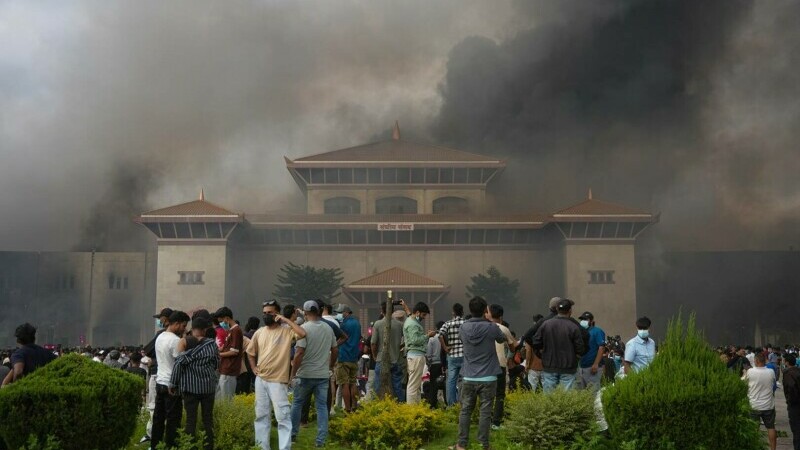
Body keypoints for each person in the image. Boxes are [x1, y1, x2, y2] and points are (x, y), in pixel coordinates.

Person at [247, 299, 306, 450]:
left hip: (278, 381)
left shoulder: (286, 331)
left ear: (277, 314)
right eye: (264, 313)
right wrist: (254, 368)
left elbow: (302, 333)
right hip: (261, 380)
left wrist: (285, 319)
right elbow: (250, 352)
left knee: (283, 417)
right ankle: (262, 447)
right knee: (261, 416)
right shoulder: (259, 332)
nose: (266, 316)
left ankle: (284, 448)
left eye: (270, 313)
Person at [451, 297, 507, 450]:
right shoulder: (492, 327)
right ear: (485, 311)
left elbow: (463, 341)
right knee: (485, 411)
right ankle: (483, 444)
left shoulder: (463, 328)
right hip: (489, 376)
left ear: (470, 310)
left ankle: (461, 444)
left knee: (465, 410)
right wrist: (490, 320)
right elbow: (502, 340)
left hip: (468, 375)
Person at [290, 300, 338, 448]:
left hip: (304, 374)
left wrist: (293, 373)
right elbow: (335, 349)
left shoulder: (303, 329)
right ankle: (320, 440)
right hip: (322, 375)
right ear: (318, 311)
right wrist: (330, 365)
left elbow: (299, 353)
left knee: (297, 403)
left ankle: (293, 434)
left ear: (305, 312)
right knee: (322, 407)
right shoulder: (328, 328)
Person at [170, 317, 220, 450]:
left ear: (192, 329)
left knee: (190, 420)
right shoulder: (212, 344)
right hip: (208, 388)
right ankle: (208, 446)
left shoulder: (184, 342)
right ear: (205, 330)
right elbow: (216, 363)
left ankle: (190, 446)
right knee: (207, 420)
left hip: (190, 389)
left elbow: (178, 364)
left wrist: (173, 384)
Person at [151, 310, 190, 450]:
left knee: (158, 418)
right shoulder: (175, 340)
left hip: (160, 381)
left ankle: (155, 445)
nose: (184, 329)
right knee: (173, 420)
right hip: (171, 386)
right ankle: (170, 446)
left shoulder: (160, 336)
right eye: (183, 326)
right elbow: (180, 362)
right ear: (176, 323)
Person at [531, 299, 586, 392]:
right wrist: (575, 357)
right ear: (570, 311)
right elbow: (580, 348)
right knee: (567, 399)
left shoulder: (546, 324)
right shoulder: (573, 326)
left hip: (549, 366)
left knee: (549, 399)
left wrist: (542, 354)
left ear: (557, 309)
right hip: (568, 367)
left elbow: (535, 342)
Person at [140, 307, 172, 444]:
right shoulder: (178, 337)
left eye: (161, 318)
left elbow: (147, 350)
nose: (159, 321)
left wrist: (152, 359)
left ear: (166, 319)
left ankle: (151, 434)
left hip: (157, 374)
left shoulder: (161, 334)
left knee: (154, 406)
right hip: (170, 378)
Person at [487, 304, 515, 429]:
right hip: (500, 364)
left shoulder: (483, 327)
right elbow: (512, 346)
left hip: (485, 365)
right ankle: (496, 422)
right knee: (500, 394)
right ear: (501, 316)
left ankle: (485, 420)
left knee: (486, 394)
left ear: (489, 314)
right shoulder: (503, 329)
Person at [371, 306, 406, 400]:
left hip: (381, 359)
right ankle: (401, 406)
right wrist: (399, 347)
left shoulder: (378, 324)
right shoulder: (399, 325)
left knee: (377, 385)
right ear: (393, 311)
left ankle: (375, 405)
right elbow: (406, 340)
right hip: (396, 359)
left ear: (381, 311)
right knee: (397, 385)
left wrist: (375, 356)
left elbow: (373, 343)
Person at [744, 352, 777, 450]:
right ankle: (773, 448)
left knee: (754, 429)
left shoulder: (750, 371)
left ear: (756, 361)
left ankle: (754, 447)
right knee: (771, 428)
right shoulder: (771, 371)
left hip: (754, 404)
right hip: (768, 405)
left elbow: (743, 381)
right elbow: (773, 383)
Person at [403, 302, 435, 405]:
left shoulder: (411, 320)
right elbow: (415, 340)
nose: (424, 317)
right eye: (423, 315)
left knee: (416, 385)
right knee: (413, 386)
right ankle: (411, 411)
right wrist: (427, 336)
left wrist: (405, 307)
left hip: (415, 356)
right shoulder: (412, 324)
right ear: (417, 313)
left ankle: (416, 408)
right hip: (416, 356)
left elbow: (409, 314)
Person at [334, 304, 362, 412]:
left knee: (344, 384)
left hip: (343, 356)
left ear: (346, 312)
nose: (339, 315)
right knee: (353, 382)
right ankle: (354, 405)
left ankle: (347, 408)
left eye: (340, 313)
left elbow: (339, 337)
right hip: (354, 357)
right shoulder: (357, 323)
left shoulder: (343, 325)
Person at [439, 303, 466, 406]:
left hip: (452, 354)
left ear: (453, 312)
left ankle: (451, 404)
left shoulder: (447, 323)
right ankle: (462, 402)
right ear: (463, 312)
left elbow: (440, 335)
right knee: (464, 379)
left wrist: (445, 347)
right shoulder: (466, 323)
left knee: (451, 380)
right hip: (464, 355)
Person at [215, 306, 243, 401]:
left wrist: (219, 355)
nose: (221, 324)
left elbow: (234, 351)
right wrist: (221, 349)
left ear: (227, 318)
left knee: (226, 399)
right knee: (219, 397)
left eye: (221, 321)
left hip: (229, 368)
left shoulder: (236, 330)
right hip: (225, 368)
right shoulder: (230, 331)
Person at [576, 311, 606, 393]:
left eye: (586, 319)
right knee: (581, 394)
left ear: (591, 321)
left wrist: (596, 364)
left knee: (593, 393)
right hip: (581, 367)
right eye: (582, 319)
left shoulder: (597, 331)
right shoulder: (580, 332)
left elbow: (601, 347)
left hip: (592, 367)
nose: (583, 321)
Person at [425, 321, 446, 408]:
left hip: (434, 365)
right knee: (445, 385)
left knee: (433, 385)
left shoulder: (432, 339)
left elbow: (428, 354)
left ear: (436, 328)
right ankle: (447, 403)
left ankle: (433, 404)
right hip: (444, 364)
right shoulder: (445, 337)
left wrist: (428, 363)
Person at [783, 353, 800, 450]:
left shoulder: (788, 373)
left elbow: (791, 388)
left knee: (796, 429)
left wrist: (789, 401)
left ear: (787, 362)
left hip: (795, 405)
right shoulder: (798, 371)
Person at [524, 314, 545, 391]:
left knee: (532, 387)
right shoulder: (546, 333)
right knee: (546, 388)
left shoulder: (531, 334)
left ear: (534, 323)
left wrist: (527, 364)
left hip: (533, 366)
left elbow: (528, 351)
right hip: (545, 366)